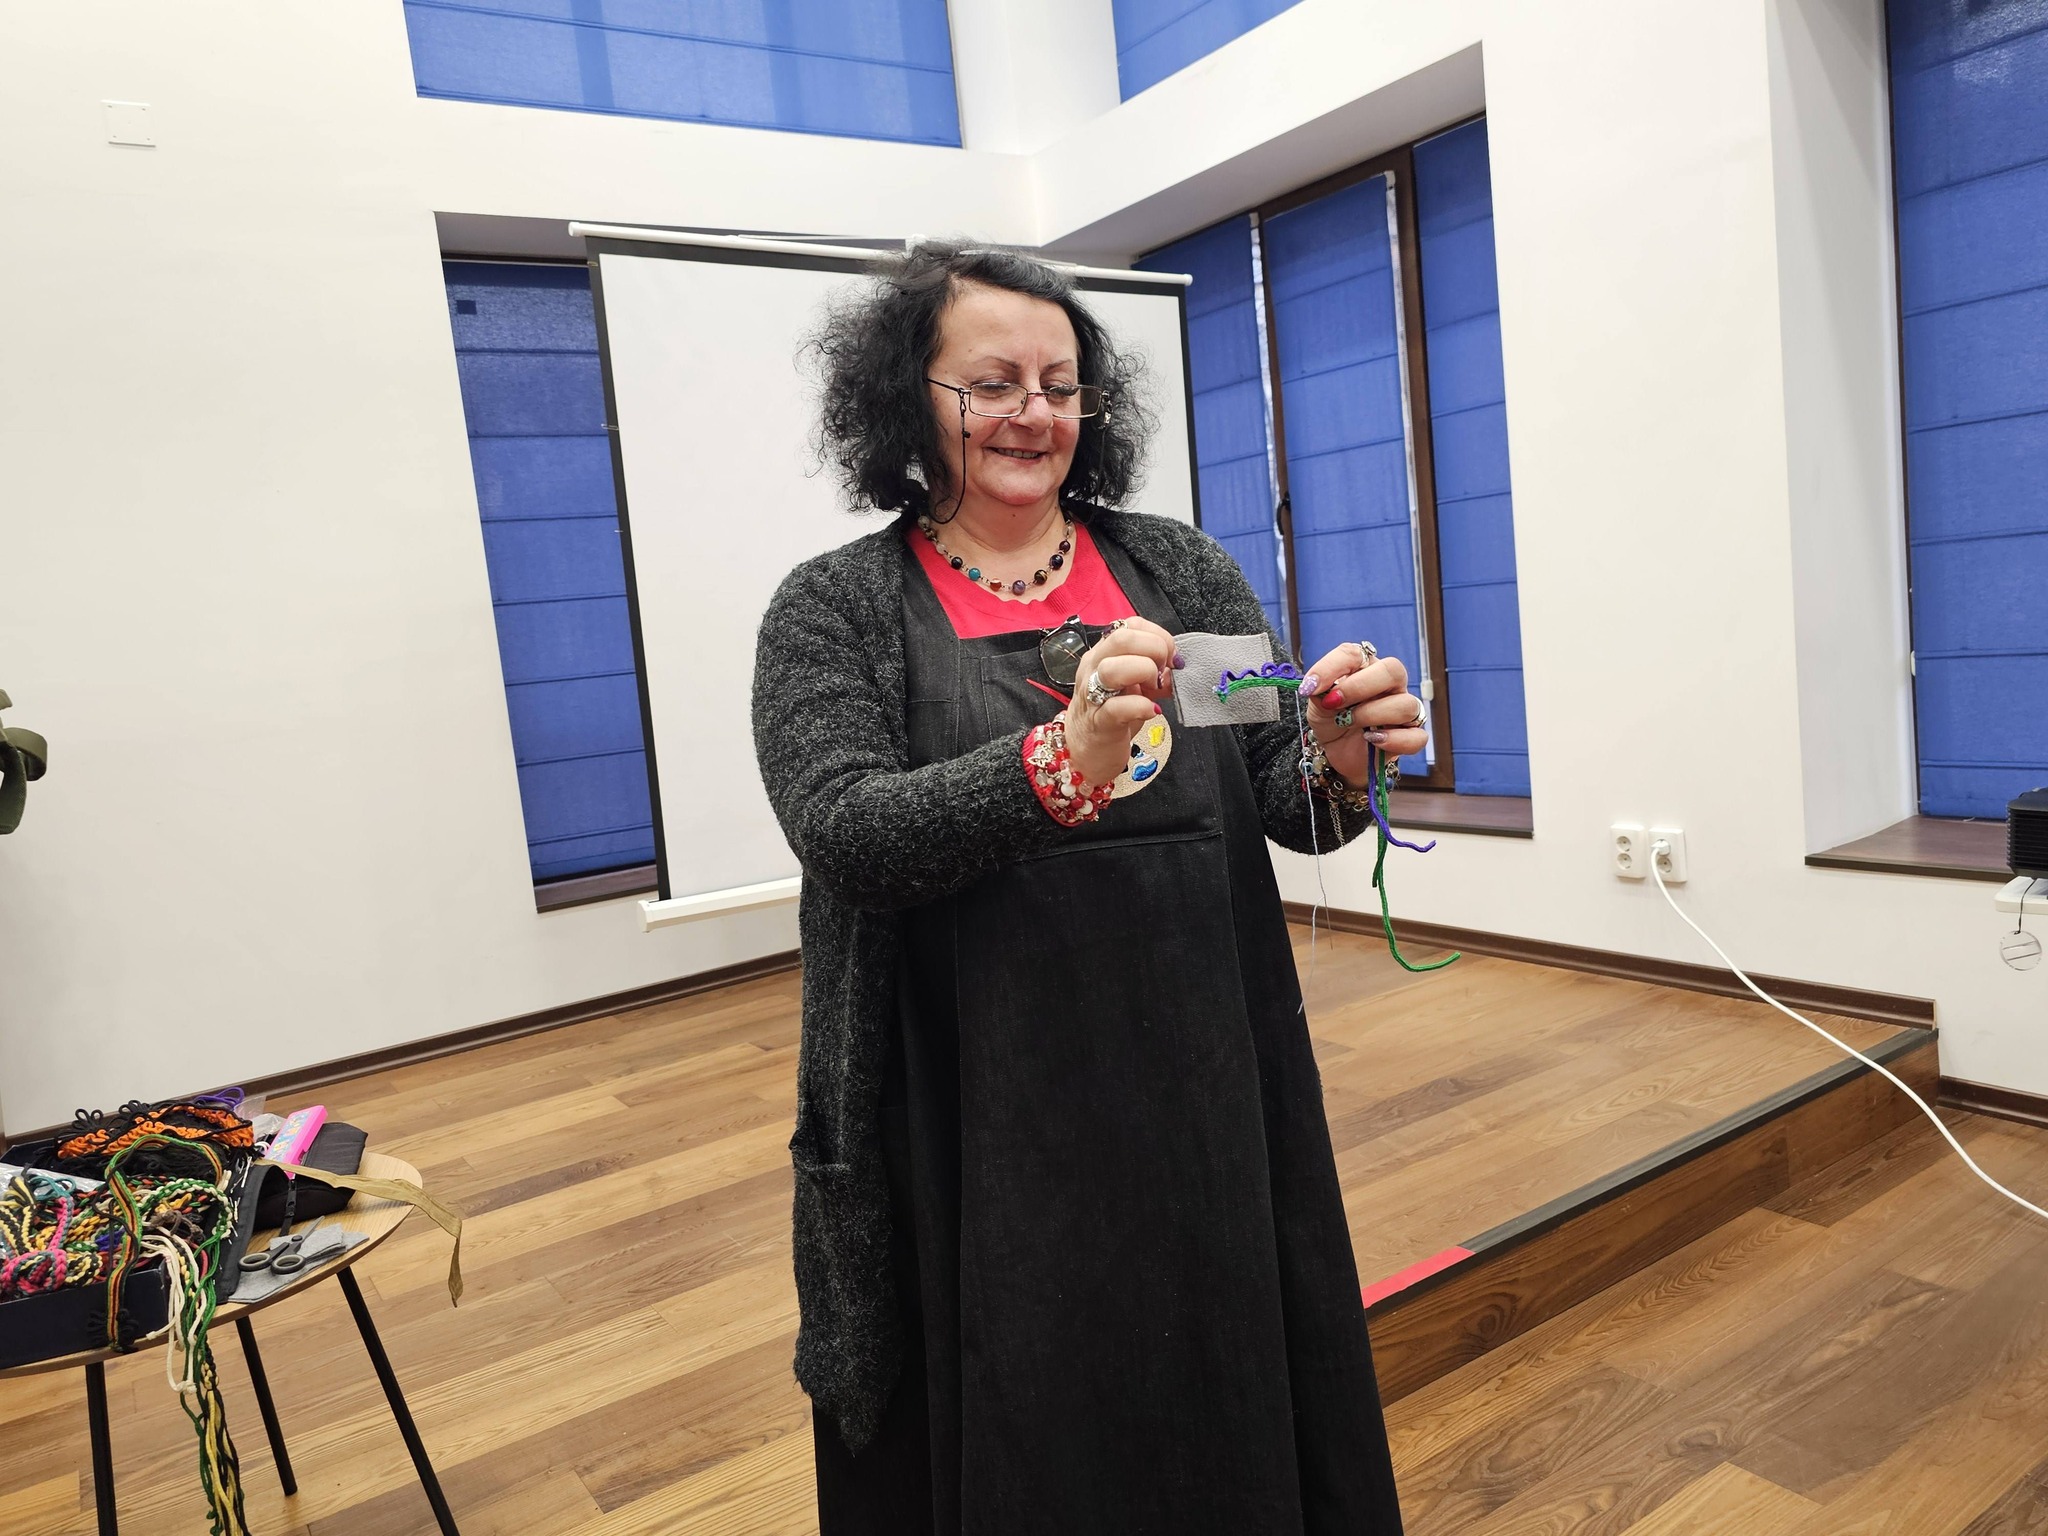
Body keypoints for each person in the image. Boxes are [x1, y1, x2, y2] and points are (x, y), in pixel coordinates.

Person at [751, 241, 1426, 1535]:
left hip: (1202, 1104)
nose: (1034, 413)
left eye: (1060, 386)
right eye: (990, 384)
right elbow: (847, 833)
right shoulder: (834, 609)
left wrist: (1338, 754)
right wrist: (1059, 761)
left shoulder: (1179, 571)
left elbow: (1280, 797)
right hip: (966, 1126)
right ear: (908, 399)